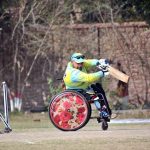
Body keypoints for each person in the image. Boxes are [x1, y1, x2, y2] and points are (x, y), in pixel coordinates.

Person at [63, 52, 111, 120]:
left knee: (98, 88)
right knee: (96, 96)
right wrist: (102, 73)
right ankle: (103, 112)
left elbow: (88, 62)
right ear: (72, 61)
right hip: (76, 92)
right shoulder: (73, 73)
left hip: (83, 88)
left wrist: (98, 62)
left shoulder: (77, 64)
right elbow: (88, 78)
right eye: (78, 63)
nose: (80, 65)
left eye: (81, 63)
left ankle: (105, 111)